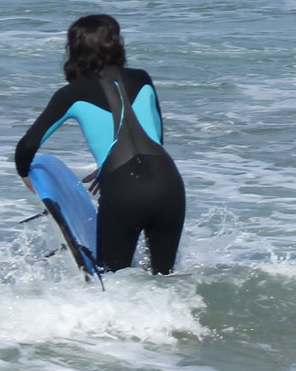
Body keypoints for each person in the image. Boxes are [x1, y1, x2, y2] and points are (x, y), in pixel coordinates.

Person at [13, 14, 186, 275]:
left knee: (114, 281)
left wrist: (25, 173)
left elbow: (27, 146)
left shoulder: (71, 93)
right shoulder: (142, 78)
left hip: (124, 191)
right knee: (164, 278)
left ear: (74, 49)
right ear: (117, 45)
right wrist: (109, 168)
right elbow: (157, 137)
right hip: (168, 184)